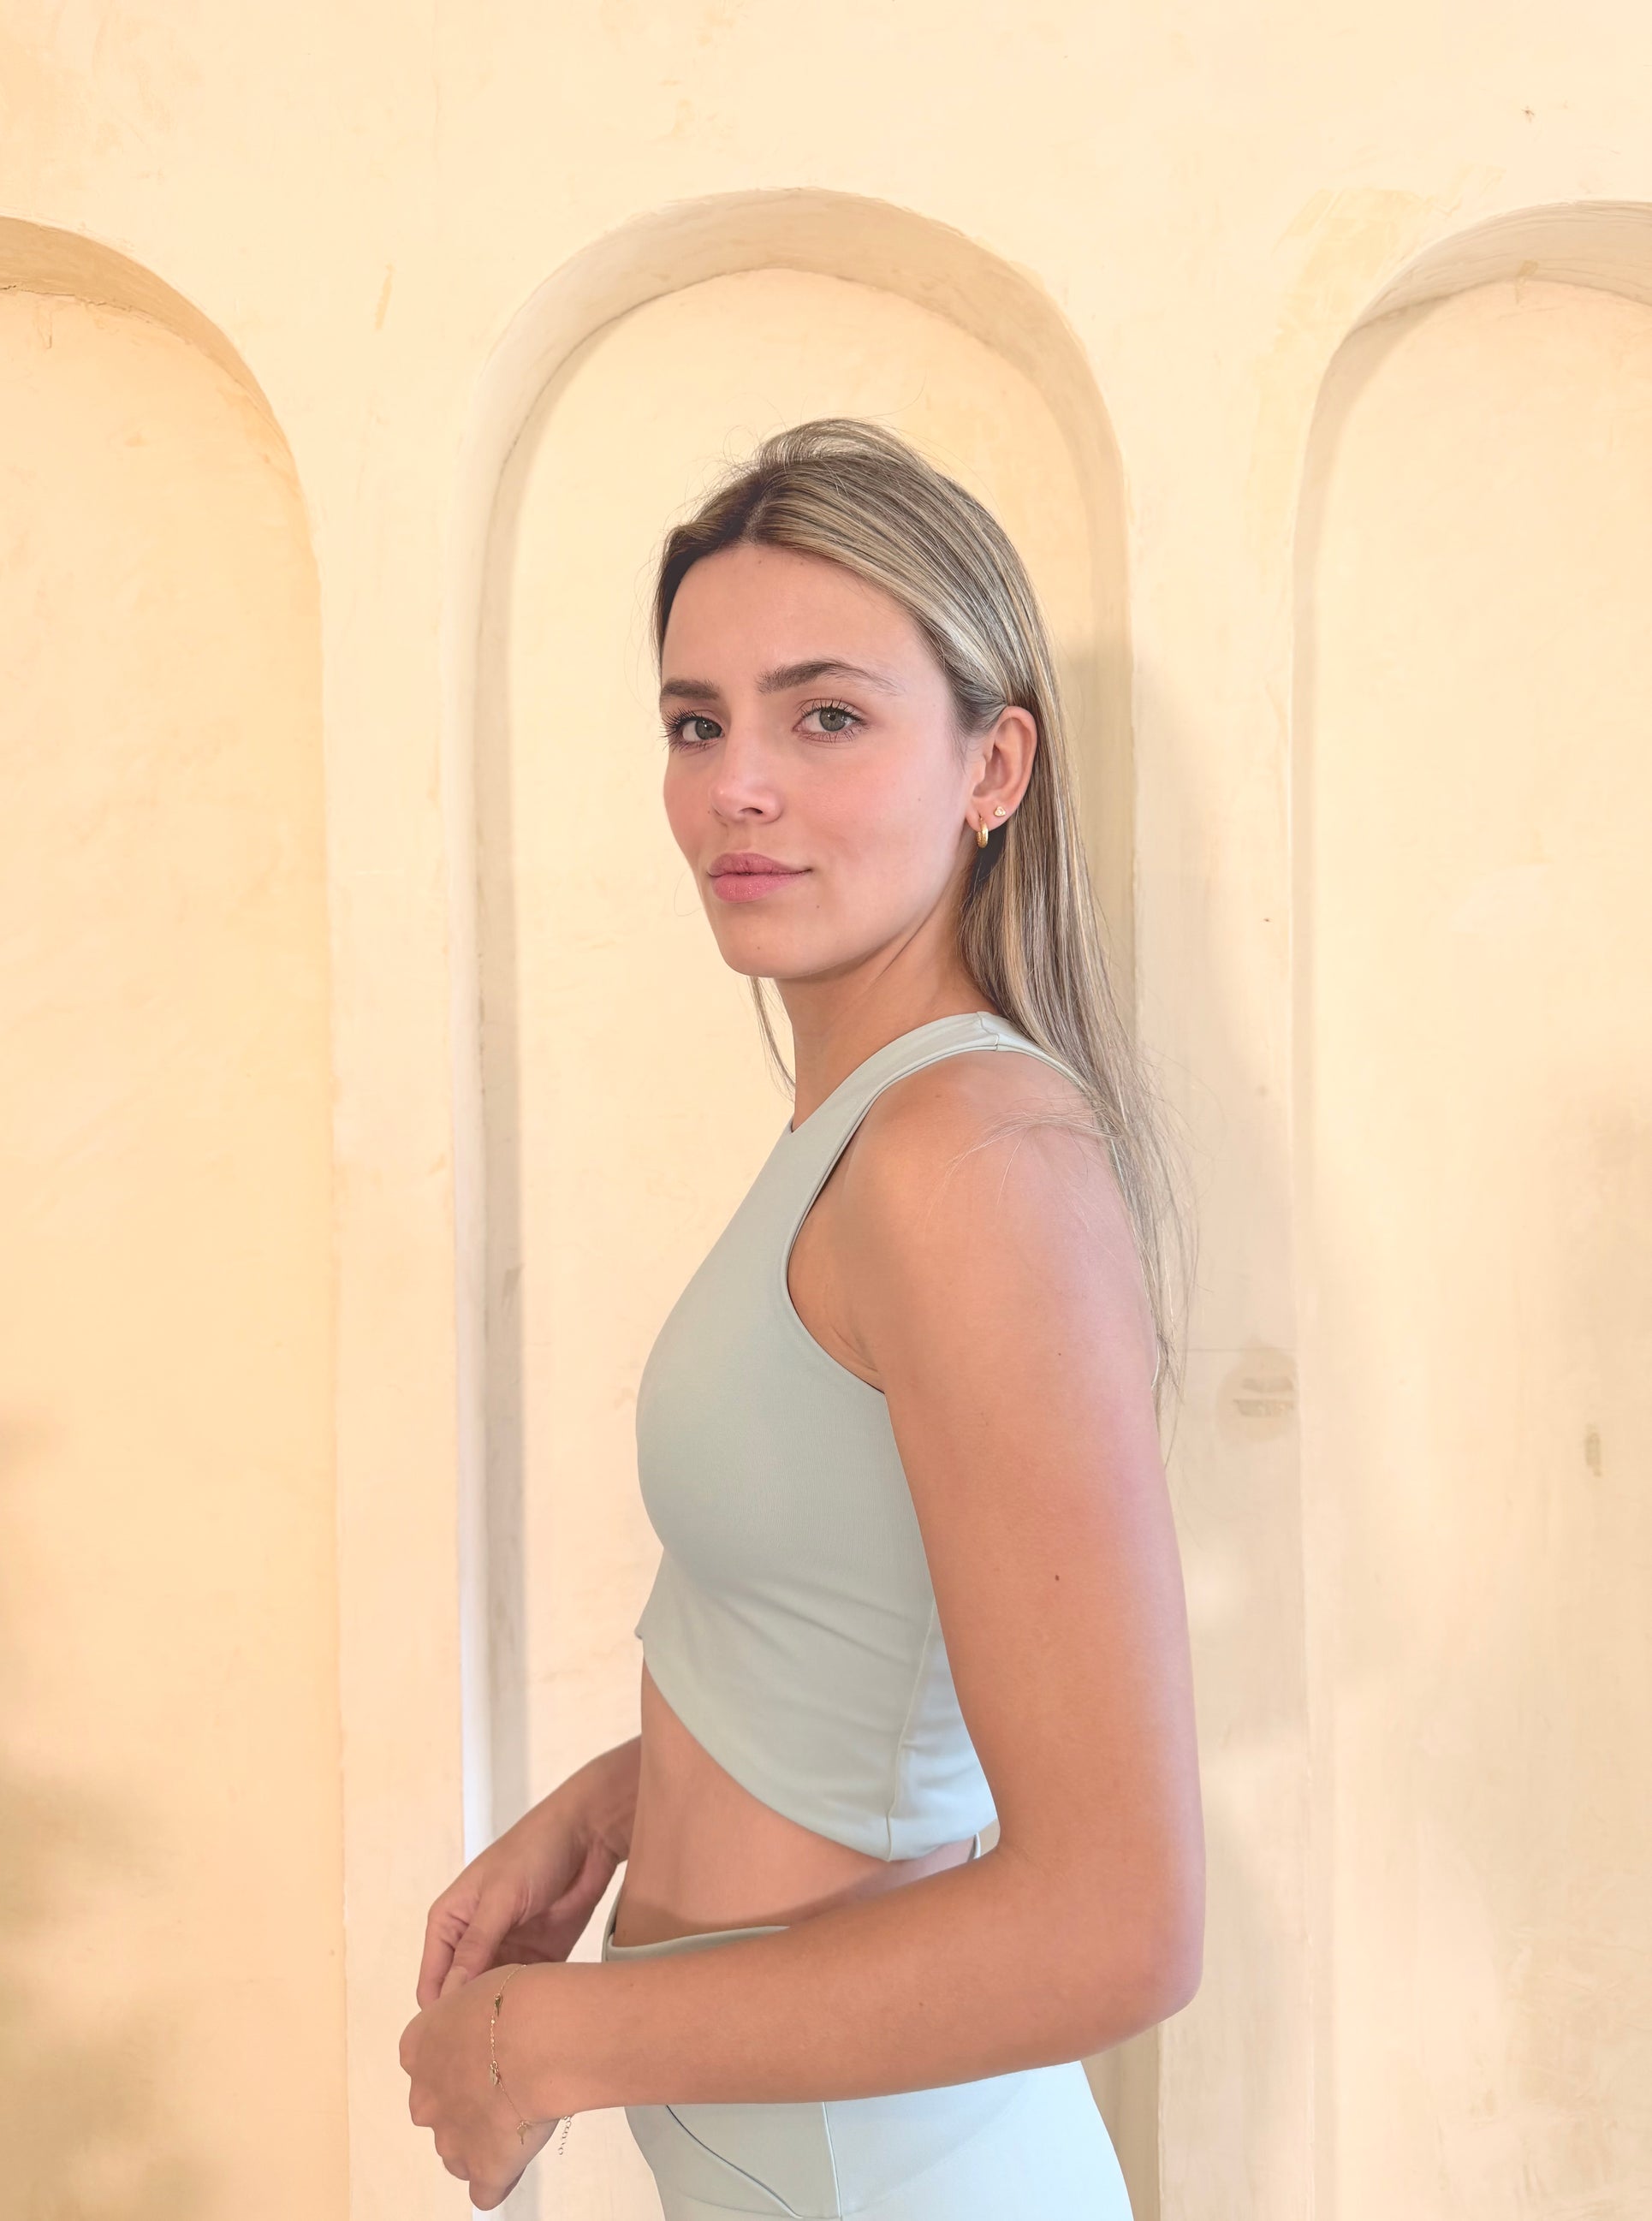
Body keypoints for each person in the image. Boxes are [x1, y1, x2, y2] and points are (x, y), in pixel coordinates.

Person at [399, 419, 1204, 2217]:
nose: (735, 788)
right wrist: (622, 1799)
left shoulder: (962, 1160)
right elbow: (876, 1641)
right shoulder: (879, 1134)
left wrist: (548, 2040)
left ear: (992, 765)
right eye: (697, 723)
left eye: (823, 716)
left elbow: (1118, 1919)